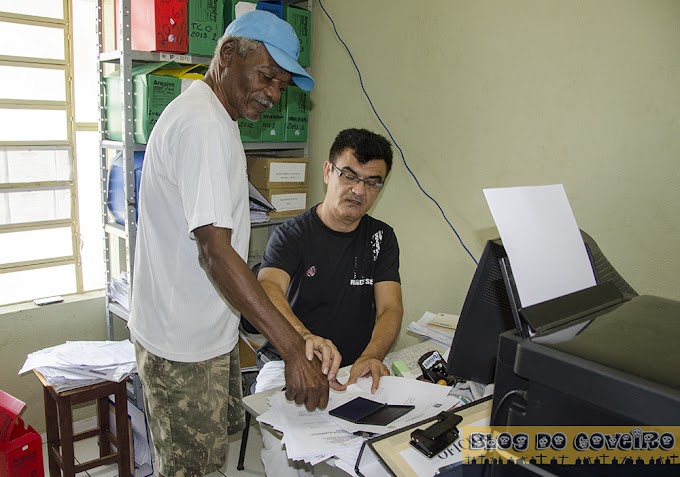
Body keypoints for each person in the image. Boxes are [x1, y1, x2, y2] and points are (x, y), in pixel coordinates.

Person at [127, 11, 332, 477]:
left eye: (280, 85)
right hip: (182, 349)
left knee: (206, 460)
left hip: (200, 335)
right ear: (226, 55)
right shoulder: (203, 126)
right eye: (266, 77)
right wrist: (292, 349)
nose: (273, 94)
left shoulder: (214, 116)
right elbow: (215, 252)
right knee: (187, 469)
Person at [254, 128, 404, 476]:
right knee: (285, 458)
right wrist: (305, 339)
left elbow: (390, 308)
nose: (358, 190)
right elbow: (268, 289)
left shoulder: (381, 237)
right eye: (349, 175)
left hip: (355, 369)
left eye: (372, 182)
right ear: (327, 172)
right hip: (288, 361)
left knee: (380, 460)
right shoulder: (292, 234)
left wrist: (372, 354)